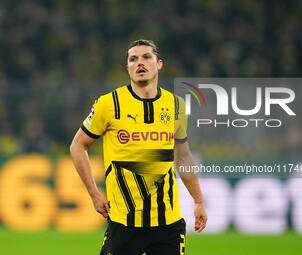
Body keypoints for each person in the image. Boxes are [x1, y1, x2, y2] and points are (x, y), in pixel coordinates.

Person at [70, 39, 207, 255]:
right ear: (128, 68)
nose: (139, 63)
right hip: (124, 223)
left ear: (159, 64)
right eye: (133, 59)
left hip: (167, 224)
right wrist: (94, 193)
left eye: (146, 57)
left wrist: (198, 200)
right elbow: (78, 146)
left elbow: (183, 157)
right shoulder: (109, 104)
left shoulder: (176, 106)